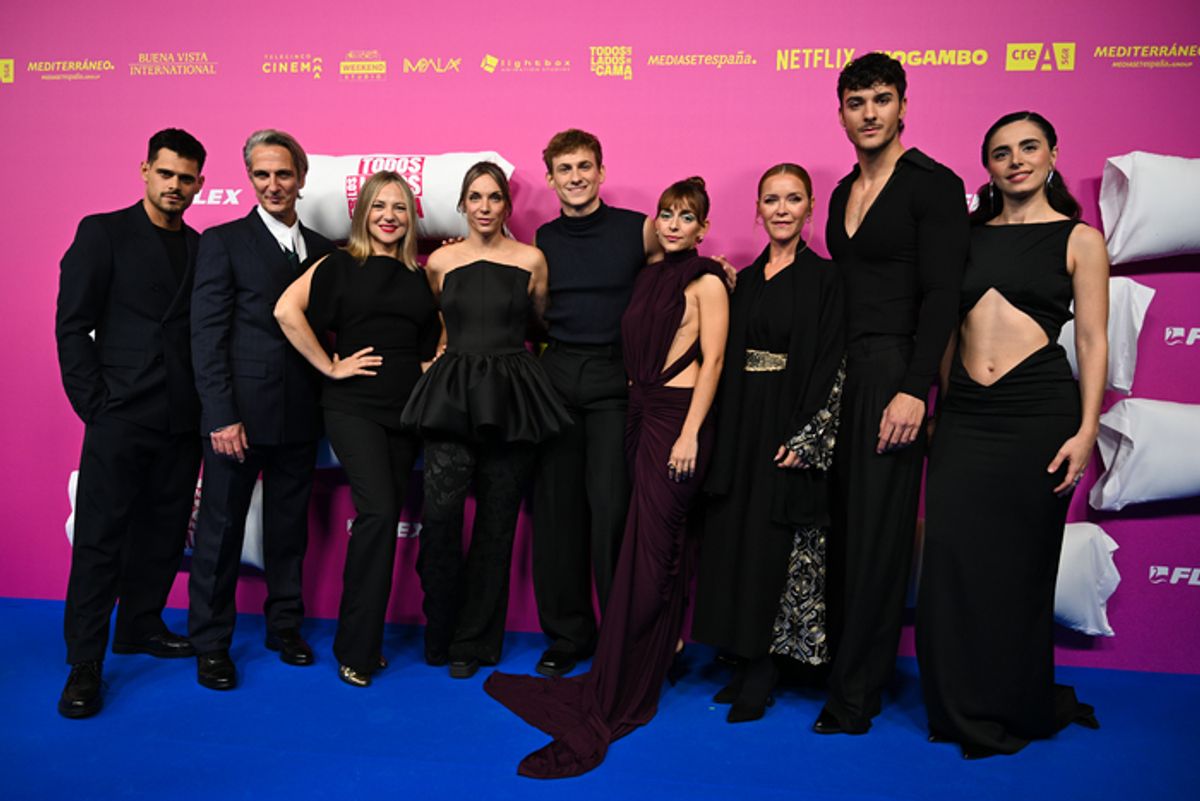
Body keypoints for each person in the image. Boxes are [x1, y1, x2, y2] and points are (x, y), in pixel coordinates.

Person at [485, 177, 729, 779]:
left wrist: (692, 433)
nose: (673, 224)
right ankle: (642, 652)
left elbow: (715, 360)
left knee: (654, 546)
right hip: (636, 415)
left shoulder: (707, 280)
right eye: (667, 213)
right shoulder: (646, 276)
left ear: (703, 227)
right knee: (642, 541)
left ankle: (642, 660)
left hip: (677, 422)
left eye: (686, 217)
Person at [917, 111, 1107, 759]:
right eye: (1001, 152)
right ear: (988, 166)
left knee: (1020, 568)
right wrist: (939, 402)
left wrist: (1087, 430)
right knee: (950, 560)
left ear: (1053, 153)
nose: (1016, 159)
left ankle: (1015, 700)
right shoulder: (964, 237)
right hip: (967, 415)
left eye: (1028, 147)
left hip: (1039, 414)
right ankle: (957, 703)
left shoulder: (1079, 239)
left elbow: (1093, 339)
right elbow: (943, 326)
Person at [814, 53, 969, 736]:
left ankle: (855, 695)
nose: (869, 113)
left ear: (903, 105)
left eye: (881, 99)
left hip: (893, 372)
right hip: (839, 374)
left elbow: (942, 297)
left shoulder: (932, 184)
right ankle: (838, 666)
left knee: (878, 535)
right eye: (856, 102)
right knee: (842, 529)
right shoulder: (847, 184)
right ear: (841, 111)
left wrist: (916, 391)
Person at [54, 128, 208, 718]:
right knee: (99, 541)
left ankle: (140, 624)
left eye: (187, 178)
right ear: (145, 169)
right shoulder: (104, 232)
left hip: (180, 416)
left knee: (164, 534)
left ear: (199, 183)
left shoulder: (198, 247)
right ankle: (84, 662)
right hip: (120, 414)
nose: (175, 186)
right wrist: (93, 402)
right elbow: (73, 324)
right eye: (166, 174)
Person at [400, 162, 570, 679]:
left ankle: (473, 643)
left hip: (513, 398)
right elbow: (435, 323)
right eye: (475, 197)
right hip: (453, 396)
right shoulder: (441, 262)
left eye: (494, 197)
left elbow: (538, 322)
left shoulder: (532, 259)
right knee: (443, 521)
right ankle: (442, 629)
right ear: (462, 204)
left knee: (497, 528)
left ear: (506, 205)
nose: (484, 207)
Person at [274, 172, 440, 687]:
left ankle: (364, 641)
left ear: (410, 216)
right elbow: (285, 310)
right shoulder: (340, 264)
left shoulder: (420, 275)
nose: (389, 215)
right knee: (380, 512)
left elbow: (437, 336)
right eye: (378, 206)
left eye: (399, 206)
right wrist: (329, 366)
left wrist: (430, 365)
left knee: (382, 524)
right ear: (363, 213)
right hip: (353, 408)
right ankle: (356, 648)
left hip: (406, 412)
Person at [693, 163, 845, 723]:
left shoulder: (827, 280)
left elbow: (834, 361)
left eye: (793, 199)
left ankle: (766, 668)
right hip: (740, 422)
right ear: (758, 211)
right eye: (772, 200)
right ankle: (740, 653)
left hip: (789, 420)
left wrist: (808, 435)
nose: (782, 209)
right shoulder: (745, 282)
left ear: (810, 208)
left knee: (775, 545)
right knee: (735, 536)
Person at [189, 129, 334, 690]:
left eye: (283, 174)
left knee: (288, 528)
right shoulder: (222, 241)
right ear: (250, 179)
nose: (273, 185)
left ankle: (284, 627)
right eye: (262, 175)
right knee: (220, 532)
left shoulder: (323, 249)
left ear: (301, 177)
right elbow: (206, 334)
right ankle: (210, 643)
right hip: (237, 420)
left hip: (301, 414)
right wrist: (221, 415)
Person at [530, 129, 658, 678]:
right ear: (551, 178)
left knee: (610, 510)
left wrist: (715, 270)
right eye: (565, 169)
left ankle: (619, 634)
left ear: (601, 172)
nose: (576, 177)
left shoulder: (638, 230)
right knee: (557, 514)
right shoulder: (543, 237)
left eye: (585, 166)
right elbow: (536, 309)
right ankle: (566, 635)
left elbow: (672, 277)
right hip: (555, 375)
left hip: (614, 378)